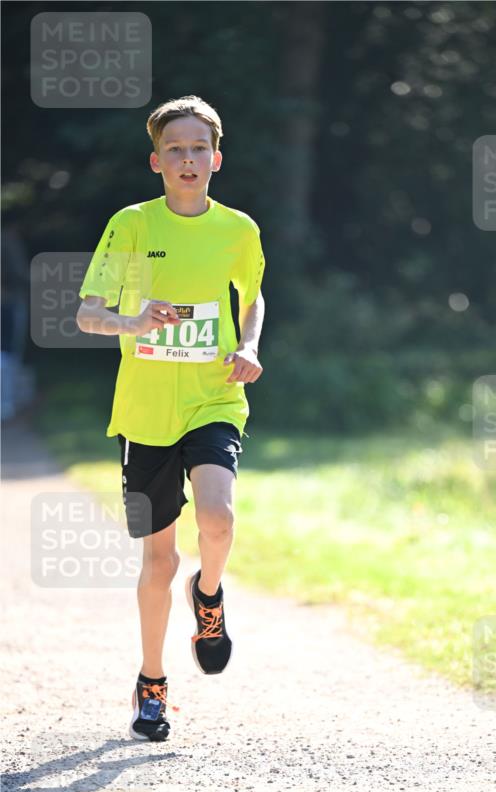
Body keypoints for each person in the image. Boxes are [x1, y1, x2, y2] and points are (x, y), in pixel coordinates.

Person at [76, 95, 266, 742]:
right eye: (175, 150)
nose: (187, 159)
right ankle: (152, 682)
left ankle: (207, 595)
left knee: (218, 517)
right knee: (157, 562)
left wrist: (248, 345)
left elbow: (253, 296)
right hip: (144, 413)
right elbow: (87, 313)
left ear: (216, 158)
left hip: (213, 397)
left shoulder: (237, 229)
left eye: (198, 149)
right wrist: (132, 321)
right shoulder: (131, 225)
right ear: (156, 161)